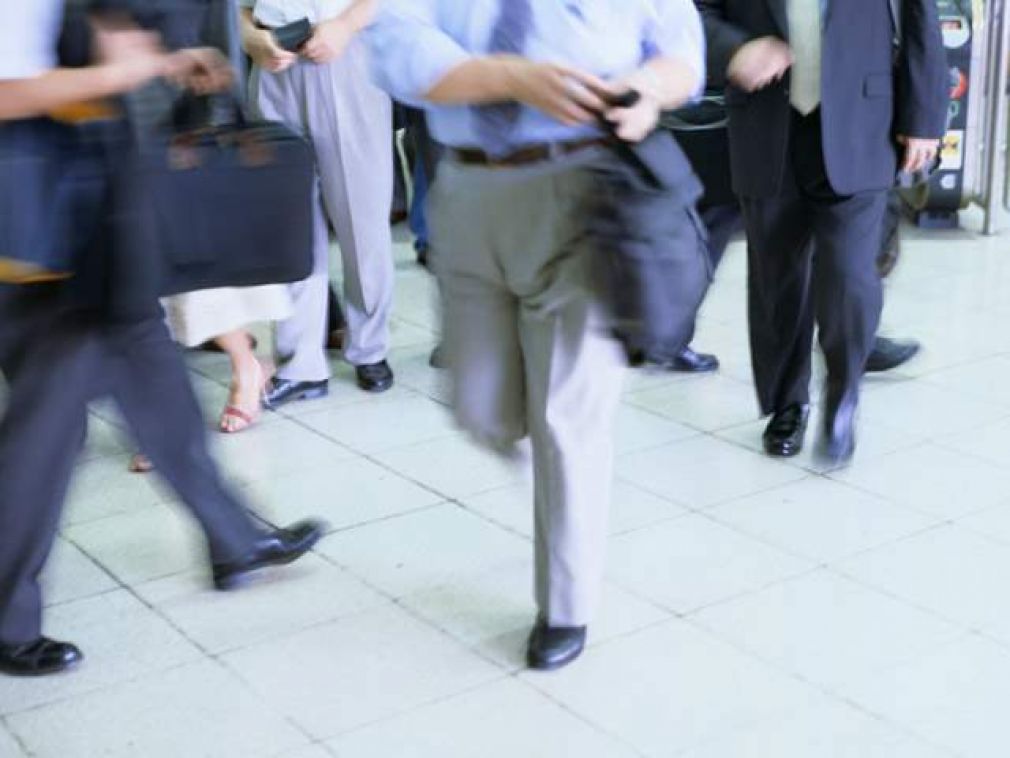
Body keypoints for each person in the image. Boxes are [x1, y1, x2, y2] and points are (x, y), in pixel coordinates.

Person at [370, 0, 705, 671]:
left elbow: (682, 54)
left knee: (567, 417)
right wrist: (511, 77)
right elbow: (394, 49)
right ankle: (562, 479)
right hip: (466, 189)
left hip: (587, 189)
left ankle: (565, 606)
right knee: (482, 410)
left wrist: (647, 90)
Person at [0, 1, 323, 677]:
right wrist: (121, 74)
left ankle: (235, 539)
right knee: (44, 437)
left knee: (157, 380)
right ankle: (7, 620)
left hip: (89, 223)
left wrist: (162, 63)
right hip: (38, 243)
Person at [697, 0, 948, 464]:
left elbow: (921, 19)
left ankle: (843, 392)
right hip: (765, 120)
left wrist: (925, 118)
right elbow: (696, 10)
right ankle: (787, 403)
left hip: (863, 122)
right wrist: (735, 49)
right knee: (777, 279)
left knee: (850, 276)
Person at [239, 0, 397, 402]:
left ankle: (370, 347)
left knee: (362, 217)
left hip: (348, 54)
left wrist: (346, 24)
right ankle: (300, 363)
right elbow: (241, 7)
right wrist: (251, 37)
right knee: (288, 221)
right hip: (275, 63)